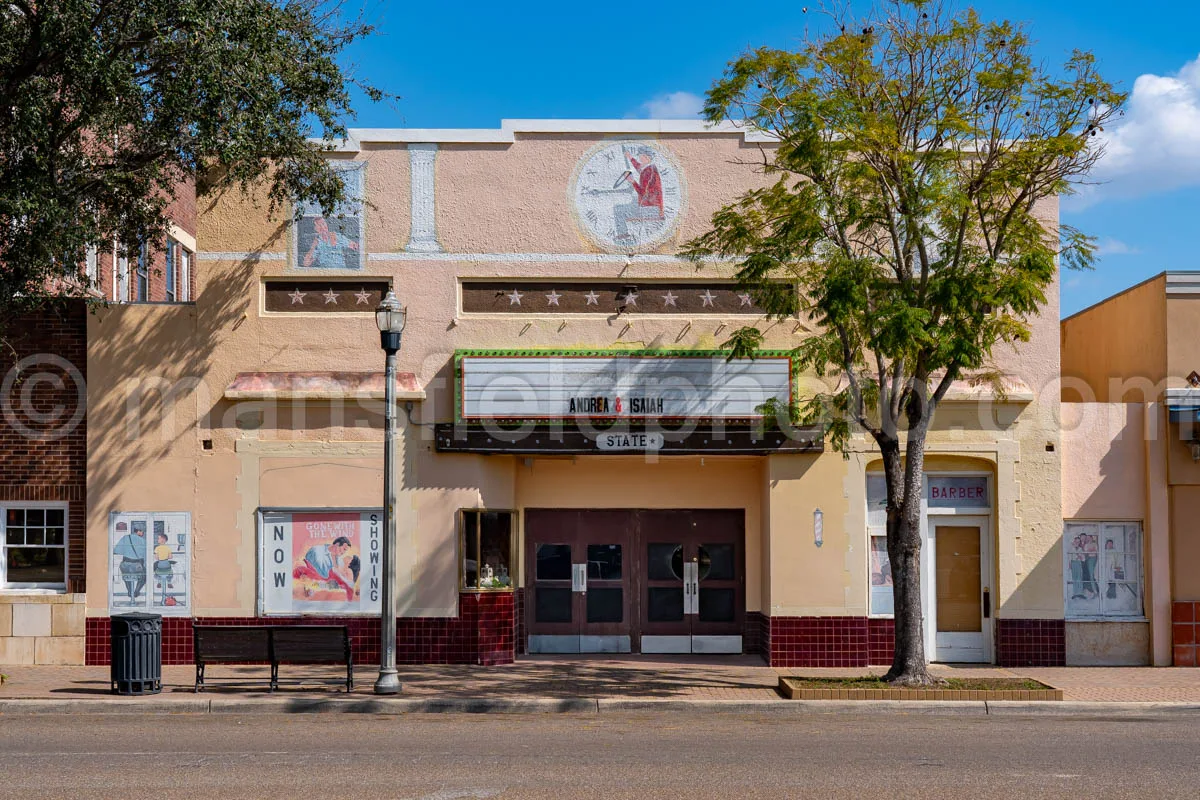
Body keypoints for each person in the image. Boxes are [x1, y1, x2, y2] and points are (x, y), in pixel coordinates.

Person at [612, 147, 665, 242]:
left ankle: (624, 235)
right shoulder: (650, 168)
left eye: (641, 157)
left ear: (647, 158)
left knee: (619, 210)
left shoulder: (648, 171)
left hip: (650, 209)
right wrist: (630, 157)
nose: (640, 158)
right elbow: (639, 167)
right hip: (653, 207)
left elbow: (642, 192)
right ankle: (625, 235)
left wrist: (632, 181)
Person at [293, 536, 356, 600]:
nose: (343, 553)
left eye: (345, 551)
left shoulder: (340, 560)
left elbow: (340, 576)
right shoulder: (317, 550)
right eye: (344, 549)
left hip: (328, 586)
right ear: (337, 544)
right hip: (315, 581)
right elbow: (317, 572)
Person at [112, 521, 147, 603]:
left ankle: (129, 591)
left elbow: (116, 551)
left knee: (126, 576)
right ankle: (136, 592)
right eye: (142, 531)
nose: (143, 533)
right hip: (137, 566)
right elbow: (146, 555)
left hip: (125, 565)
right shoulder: (143, 541)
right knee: (144, 576)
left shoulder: (125, 538)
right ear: (138, 531)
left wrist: (127, 551)